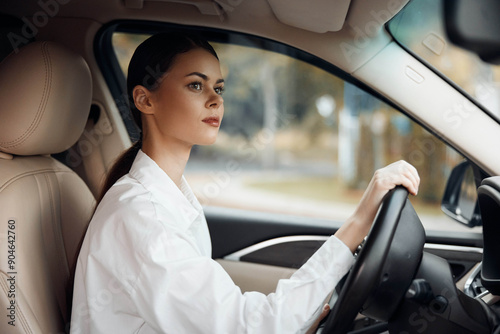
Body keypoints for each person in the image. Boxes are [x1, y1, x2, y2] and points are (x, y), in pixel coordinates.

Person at [70, 32, 420, 334]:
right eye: (196, 84)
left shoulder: (165, 199)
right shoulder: (143, 218)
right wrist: (359, 222)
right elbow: (247, 328)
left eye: (218, 87)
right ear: (145, 99)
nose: (215, 99)